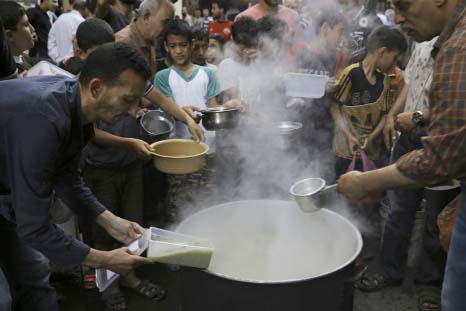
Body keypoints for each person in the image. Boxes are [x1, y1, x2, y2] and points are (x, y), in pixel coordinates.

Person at [0, 41, 153, 311]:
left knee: (34, 274)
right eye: (128, 99)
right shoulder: (45, 119)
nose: (132, 111)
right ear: (96, 88)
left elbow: (67, 177)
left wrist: (110, 220)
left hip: (6, 190)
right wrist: (104, 259)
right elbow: (34, 227)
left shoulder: (75, 108)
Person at [337, 1, 466, 310]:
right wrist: (396, 116)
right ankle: (391, 269)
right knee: (398, 214)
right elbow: (413, 84)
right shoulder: (431, 38)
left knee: (437, 224)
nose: (397, 17)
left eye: (404, 4)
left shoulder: (460, 47)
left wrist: (365, 182)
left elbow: (438, 162)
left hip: (436, 146)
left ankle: (429, 286)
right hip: (414, 139)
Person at [115, 0, 204, 141]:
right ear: (146, 17)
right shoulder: (123, 43)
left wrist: (183, 114)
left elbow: (151, 93)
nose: (167, 29)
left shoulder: (150, 41)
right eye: (165, 22)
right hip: (121, 134)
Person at [331, 26, 407, 178]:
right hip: (345, 151)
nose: (394, 64)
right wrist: (349, 136)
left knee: (369, 197)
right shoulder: (351, 73)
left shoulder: (386, 80)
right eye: (394, 57)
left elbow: (385, 115)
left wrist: (371, 138)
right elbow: (335, 108)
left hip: (372, 154)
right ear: (382, 52)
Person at [48, 0, 89, 64]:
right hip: (75, 65)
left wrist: (59, 60)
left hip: (59, 65)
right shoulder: (82, 22)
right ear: (85, 9)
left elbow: (51, 43)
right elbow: (76, 45)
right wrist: (69, 61)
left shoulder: (60, 19)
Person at [0, 2, 36, 74]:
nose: (32, 29)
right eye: (26, 25)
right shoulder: (8, 75)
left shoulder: (25, 58)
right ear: (9, 35)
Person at [234, 0, 299, 40]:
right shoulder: (243, 18)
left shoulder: (293, 15)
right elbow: (237, 51)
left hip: (287, 61)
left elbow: (298, 45)